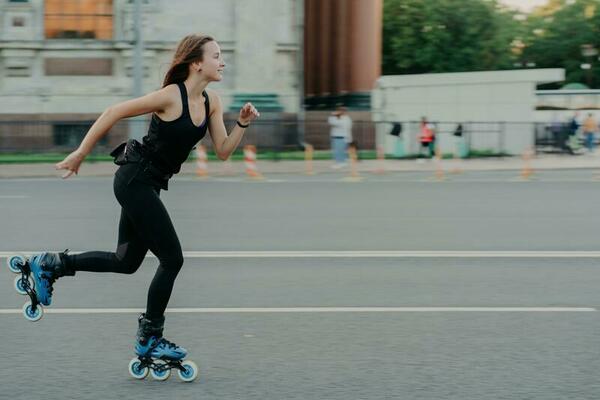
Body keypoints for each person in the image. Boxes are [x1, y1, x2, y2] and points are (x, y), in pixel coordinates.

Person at [23, 34, 260, 361]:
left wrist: (242, 125)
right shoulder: (169, 96)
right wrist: (81, 152)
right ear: (196, 63)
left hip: (148, 184)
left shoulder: (211, 102)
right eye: (217, 56)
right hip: (135, 179)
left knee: (126, 261)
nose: (223, 61)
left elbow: (222, 151)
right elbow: (113, 111)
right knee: (173, 259)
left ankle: (50, 265)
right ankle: (150, 336)